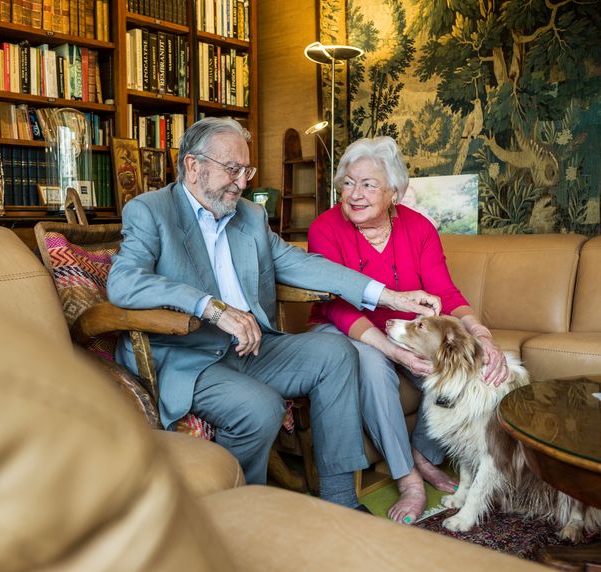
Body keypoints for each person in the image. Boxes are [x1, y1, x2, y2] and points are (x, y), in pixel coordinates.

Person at [107, 118, 442, 510]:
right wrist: (211, 307)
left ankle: (340, 501)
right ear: (194, 167)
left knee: (337, 355)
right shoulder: (150, 210)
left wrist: (390, 297)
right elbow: (124, 283)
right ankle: (238, 514)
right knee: (261, 407)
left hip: (252, 348)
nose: (243, 181)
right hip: (188, 357)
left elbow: (303, 266)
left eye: (246, 170)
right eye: (233, 169)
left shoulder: (249, 216)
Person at [307, 136, 509, 523]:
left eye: (369, 185)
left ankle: (426, 456)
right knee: (370, 361)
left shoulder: (418, 228)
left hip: (406, 331)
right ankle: (409, 478)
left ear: (394, 192)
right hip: (344, 329)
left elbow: (445, 292)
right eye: (348, 183)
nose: (355, 194)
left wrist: (480, 335)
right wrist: (393, 350)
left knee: (457, 372)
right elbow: (337, 305)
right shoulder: (325, 229)